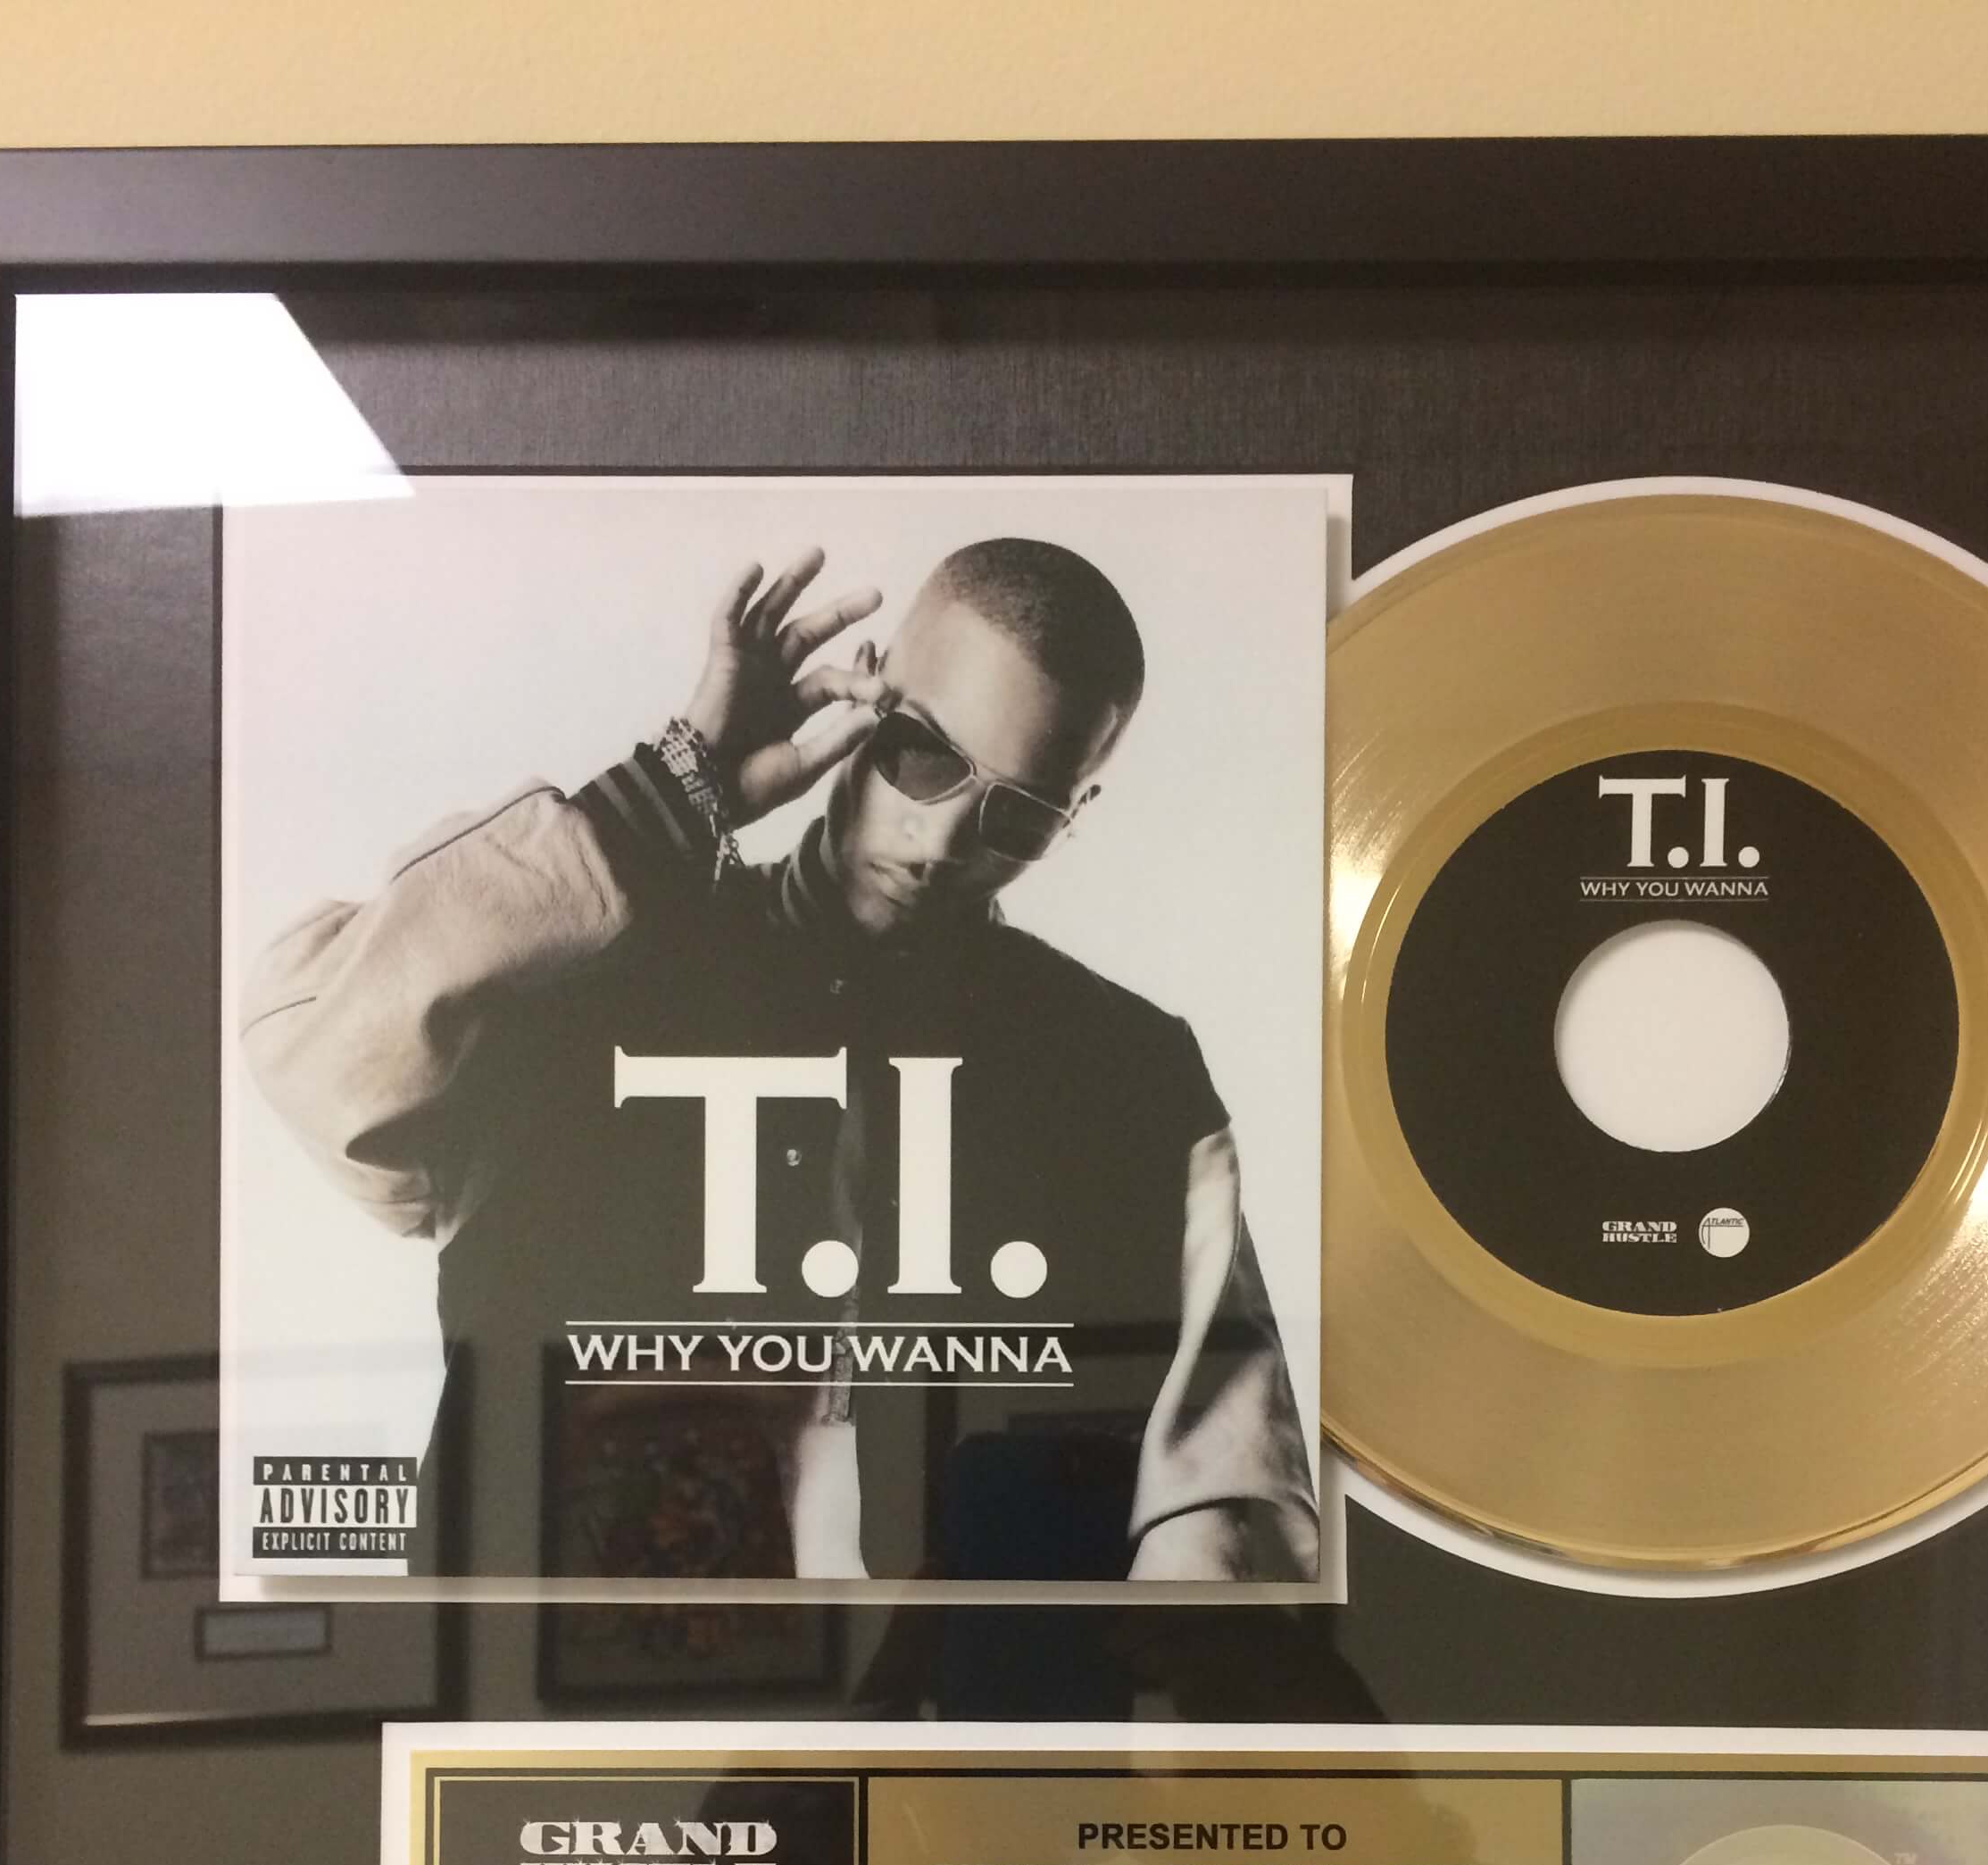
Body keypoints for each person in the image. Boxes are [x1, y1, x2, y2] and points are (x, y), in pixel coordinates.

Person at [243, 536, 1317, 1584]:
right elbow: (313, 1050)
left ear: (1076, 812)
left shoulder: (1134, 1078)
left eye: (1019, 815)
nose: (944, 841)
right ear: (867, 691)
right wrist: (672, 791)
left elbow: (1224, 1518)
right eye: (925, 755)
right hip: (568, 1682)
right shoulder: (572, 975)